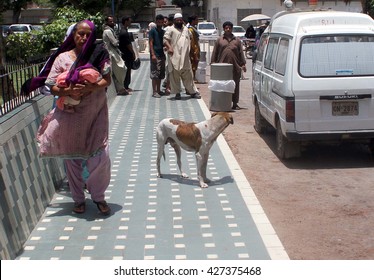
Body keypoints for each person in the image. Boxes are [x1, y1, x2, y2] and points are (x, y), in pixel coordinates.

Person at [23, 20, 112, 215]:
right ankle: (78, 199)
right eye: (80, 33)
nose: (84, 38)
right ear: (73, 35)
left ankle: (98, 196)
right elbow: (51, 84)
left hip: (95, 114)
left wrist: (90, 87)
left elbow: (107, 79)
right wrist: (68, 91)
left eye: (88, 34)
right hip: (70, 116)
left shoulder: (100, 54)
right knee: (72, 158)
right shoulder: (62, 58)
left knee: (101, 156)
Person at [163, 13, 200, 100]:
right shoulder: (170, 29)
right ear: (174, 21)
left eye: (180, 20)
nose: (179, 21)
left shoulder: (186, 29)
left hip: (185, 57)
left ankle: (193, 92)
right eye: (177, 20)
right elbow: (165, 40)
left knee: (188, 75)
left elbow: (191, 39)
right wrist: (169, 47)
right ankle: (177, 93)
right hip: (174, 56)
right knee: (174, 76)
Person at [211, 21, 247, 110]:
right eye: (226, 28)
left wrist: (243, 64)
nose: (228, 29)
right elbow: (215, 52)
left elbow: (241, 53)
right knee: (223, 85)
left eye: (229, 28)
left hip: (235, 67)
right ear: (223, 29)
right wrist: (213, 63)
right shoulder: (219, 40)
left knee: (235, 85)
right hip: (222, 67)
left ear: (232, 29)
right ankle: (222, 102)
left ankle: (235, 103)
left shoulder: (237, 41)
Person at [102, 15, 128, 95]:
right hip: (111, 53)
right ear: (107, 22)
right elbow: (115, 42)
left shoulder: (110, 30)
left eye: (113, 21)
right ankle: (120, 89)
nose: (113, 23)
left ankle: (120, 88)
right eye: (110, 21)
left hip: (113, 52)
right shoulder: (108, 31)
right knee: (121, 69)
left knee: (117, 71)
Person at [149, 14, 166, 98]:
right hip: (155, 55)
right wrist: (152, 54)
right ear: (156, 22)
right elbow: (151, 43)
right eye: (158, 22)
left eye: (162, 22)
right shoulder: (152, 31)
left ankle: (159, 90)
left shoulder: (163, 32)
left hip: (162, 54)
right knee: (155, 74)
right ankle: (154, 91)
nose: (160, 23)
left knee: (160, 74)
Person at [119, 15, 136, 94]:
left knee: (128, 71)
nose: (130, 22)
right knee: (127, 71)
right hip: (126, 55)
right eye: (129, 21)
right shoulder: (124, 32)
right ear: (125, 21)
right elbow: (128, 45)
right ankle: (125, 86)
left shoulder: (124, 31)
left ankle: (126, 86)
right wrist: (133, 53)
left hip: (125, 54)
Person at [187, 15, 200, 81]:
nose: (197, 21)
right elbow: (192, 43)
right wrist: (195, 54)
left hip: (195, 50)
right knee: (192, 67)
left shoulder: (194, 29)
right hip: (193, 52)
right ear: (193, 21)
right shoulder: (191, 30)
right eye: (196, 20)